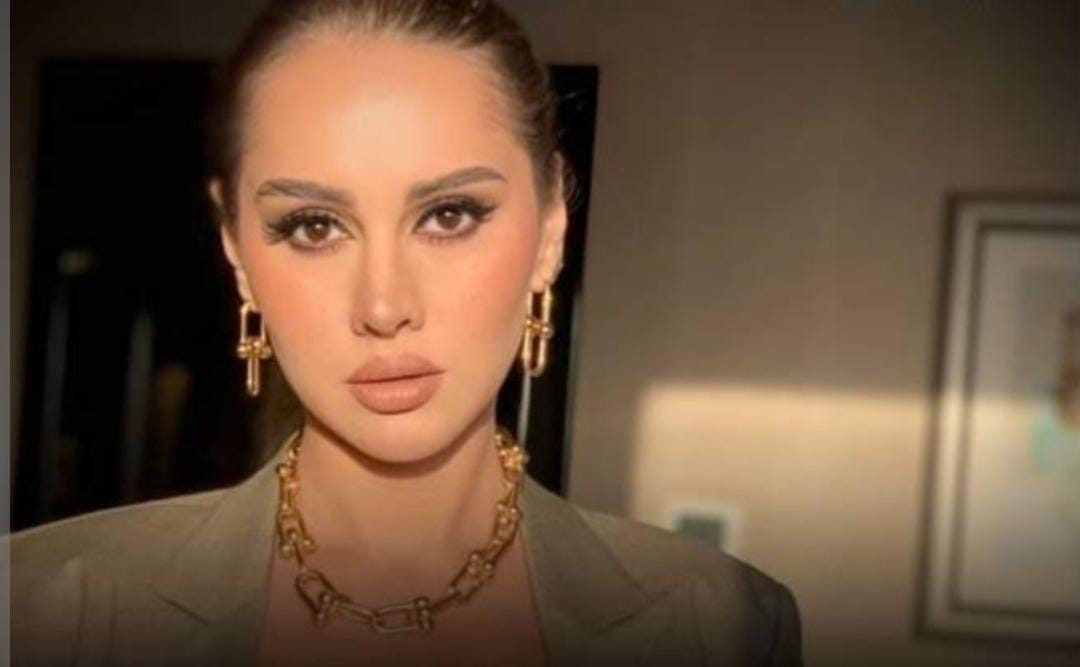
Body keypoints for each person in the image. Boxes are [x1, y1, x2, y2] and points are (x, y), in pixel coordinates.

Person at [9, 1, 802, 665]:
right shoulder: (37, 606)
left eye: (449, 215)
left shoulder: (724, 624)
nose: (384, 305)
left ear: (550, 231)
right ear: (239, 253)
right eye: (314, 225)